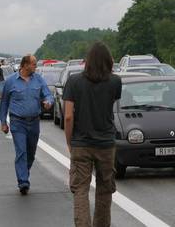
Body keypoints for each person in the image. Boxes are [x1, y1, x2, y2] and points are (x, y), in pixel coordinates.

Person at [62, 42, 122, 227]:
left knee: (80, 190)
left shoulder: (73, 81)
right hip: (106, 144)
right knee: (105, 190)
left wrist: (70, 142)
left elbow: (69, 116)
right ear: (108, 61)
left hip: (81, 143)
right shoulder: (115, 81)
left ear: (87, 61)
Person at [0, 55, 53, 195]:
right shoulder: (11, 81)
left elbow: (48, 94)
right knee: (21, 151)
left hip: (34, 121)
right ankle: (23, 181)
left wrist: (48, 102)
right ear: (25, 65)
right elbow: (4, 102)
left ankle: (24, 171)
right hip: (18, 122)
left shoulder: (38, 79)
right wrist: (3, 122)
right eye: (34, 64)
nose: (36, 66)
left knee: (31, 153)